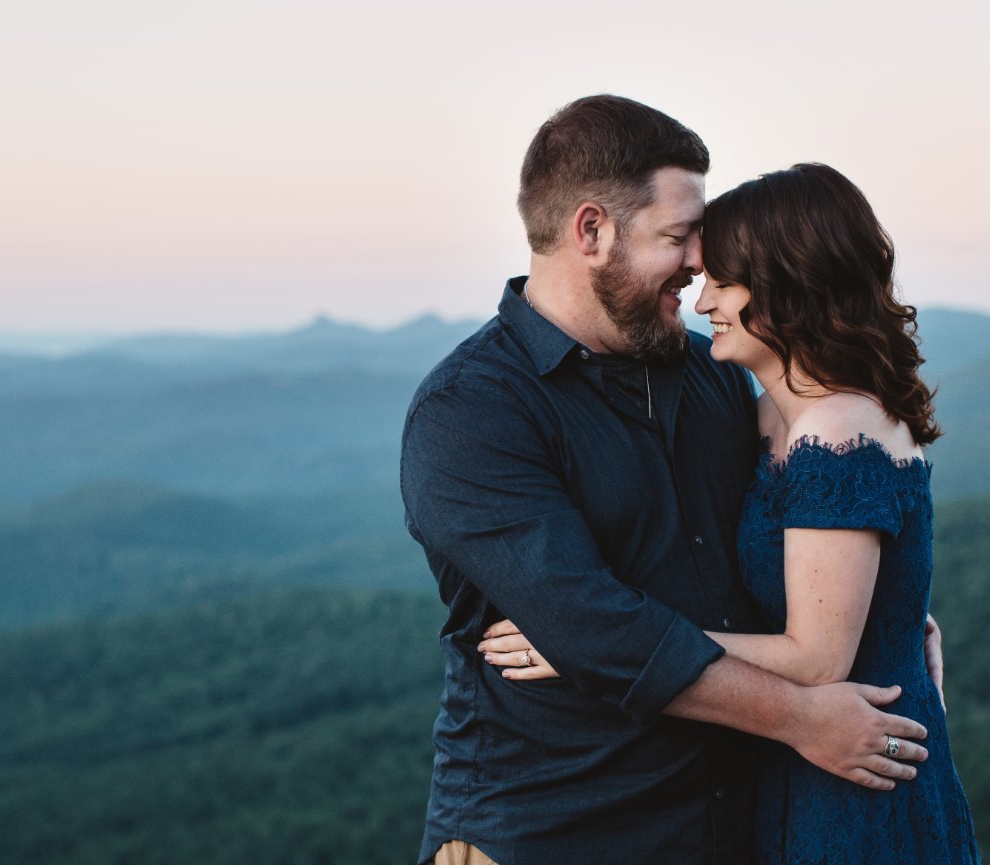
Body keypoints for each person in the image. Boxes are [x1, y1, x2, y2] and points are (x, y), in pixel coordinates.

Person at [400, 96, 938, 865]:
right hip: (556, 830)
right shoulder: (472, 412)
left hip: (733, 824)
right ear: (591, 230)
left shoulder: (710, 375)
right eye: (680, 236)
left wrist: (896, 614)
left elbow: (818, 518)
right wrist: (800, 716)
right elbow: (595, 628)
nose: (699, 263)